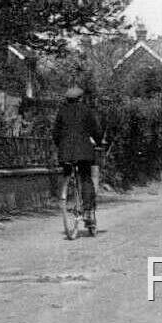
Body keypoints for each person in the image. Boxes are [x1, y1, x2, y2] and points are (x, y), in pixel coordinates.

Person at [52, 85, 105, 236]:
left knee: (67, 173)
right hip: (83, 153)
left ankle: (65, 191)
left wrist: (61, 146)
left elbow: (55, 133)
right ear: (80, 98)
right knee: (86, 178)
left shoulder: (61, 112)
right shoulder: (87, 111)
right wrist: (98, 142)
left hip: (65, 153)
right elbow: (96, 130)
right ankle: (88, 211)